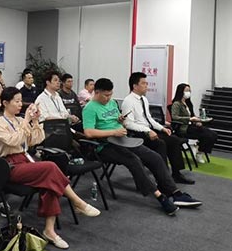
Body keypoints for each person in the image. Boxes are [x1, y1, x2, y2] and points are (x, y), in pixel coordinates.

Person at [0, 87, 100, 249]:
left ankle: (49, 230)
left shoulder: (20, 120)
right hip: (9, 165)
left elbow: (36, 140)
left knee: (50, 183)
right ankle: (77, 202)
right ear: (5, 103)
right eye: (17, 101)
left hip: (26, 160)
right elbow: (13, 141)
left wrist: (35, 122)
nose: (20, 104)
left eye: (21, 101)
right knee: (50, 167)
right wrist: (26, 121)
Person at [82, 78, 201, 216]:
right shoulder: (89, 108)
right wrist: (113, 132)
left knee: (155, 157)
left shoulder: (112, 103)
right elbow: (88, 133)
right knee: (134, 160)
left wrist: (120, 120)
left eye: (110, 94)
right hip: (105, 145)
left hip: (123, 140)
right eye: (105, 95)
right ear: (96, 92)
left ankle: (175, 193)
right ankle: (160, 197)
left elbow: (118, 120)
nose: (108, 98)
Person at [121, 72, 194, 185]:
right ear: (135, 86)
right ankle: (163, 178)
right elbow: (128, 124)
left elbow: (149, 119)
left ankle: (176, 174)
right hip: (137, 134)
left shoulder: (144, 99)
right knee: (160, 143)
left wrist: (162, 128)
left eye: (146, 83)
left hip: (148, 130)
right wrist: (148, 131)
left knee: (174, 140)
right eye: (143, 83)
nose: (146, 86)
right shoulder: (128, 101)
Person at [170, 83, 218, 159]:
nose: (188, 92)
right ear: (181, 91)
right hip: (183, 128)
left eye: (189, 91)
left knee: (213, 134)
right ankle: (199, 152)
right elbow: (175, 117)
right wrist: (189, 119)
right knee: (207, 135)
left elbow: (192, 115)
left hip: (192, 126)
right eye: (186, 90)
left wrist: (198, 121)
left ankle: (200, 151)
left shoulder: (188, 103)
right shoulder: (177, 104)